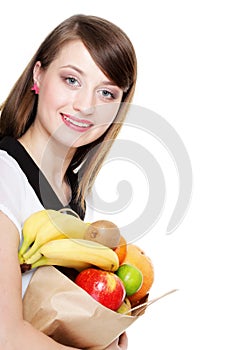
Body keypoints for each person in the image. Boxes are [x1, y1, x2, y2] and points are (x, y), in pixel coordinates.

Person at [0, 14, 137, 350]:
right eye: (72, 80)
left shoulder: (72, 195)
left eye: (106, 92)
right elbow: (4, 335)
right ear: (38, 75)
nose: (86, 106)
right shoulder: (4, 174)